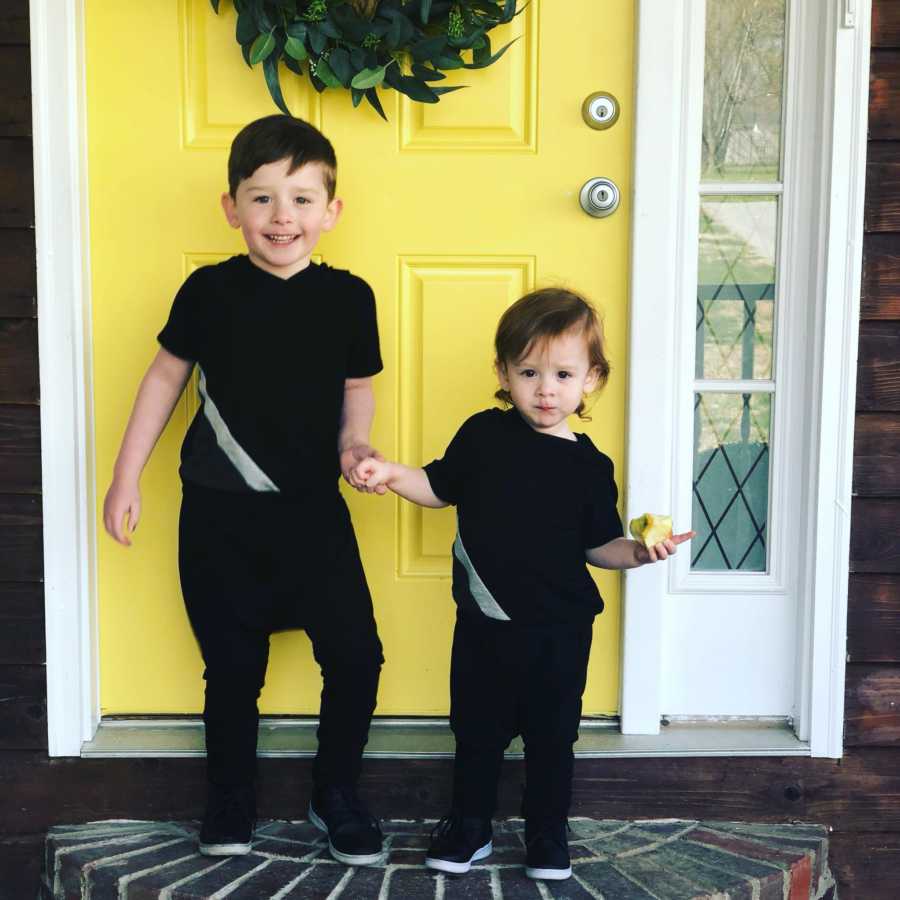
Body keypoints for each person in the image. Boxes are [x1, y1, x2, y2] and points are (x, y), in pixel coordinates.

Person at [102, 114, 387, 865]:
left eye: (300, 199)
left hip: (313, 514)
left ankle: (337, 794)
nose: (281, 217)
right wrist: (125, 476)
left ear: (332, 211)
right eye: (261, 199)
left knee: (356, 655)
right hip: (219, 517)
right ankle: (231, 798)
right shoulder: (208, 292)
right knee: (231, 667)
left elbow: (358, 386)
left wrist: (354, 445)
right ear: (231, 207)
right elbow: (165, 377)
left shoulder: (349, 298)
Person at [352, 288, 694, 881]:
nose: (545, 389)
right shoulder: (484, 435)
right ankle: (470, 827)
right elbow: (437, 486)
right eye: (529, 372)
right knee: (477, 732)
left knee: (552, 738)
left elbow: (598, 547)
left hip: (561, 631)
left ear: (591, 380)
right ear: (503, 373)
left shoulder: (590, 466)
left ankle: (546, 834)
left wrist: (638, 552)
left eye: (562, 374)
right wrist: (388, 473)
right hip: (485, 624)